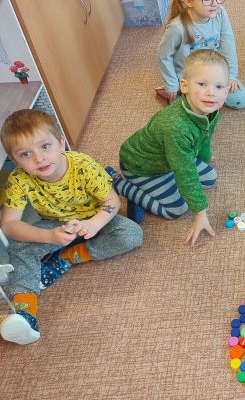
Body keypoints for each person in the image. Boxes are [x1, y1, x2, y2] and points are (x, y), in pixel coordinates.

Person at [0, 111, 143, 345]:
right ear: (15, 161)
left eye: (45, 146)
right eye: (26, 154)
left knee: (131, 234)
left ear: (60, 143)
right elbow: (9, 224)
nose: (39, 159)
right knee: (18, 246)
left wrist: (93, 224)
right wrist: (48, 236)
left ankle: (66, 258)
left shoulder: (82, 165)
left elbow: (112, 201)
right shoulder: (18, 179)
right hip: (55, 224)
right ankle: (26, 316)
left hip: (93, 217)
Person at [108, 50, 228, 244]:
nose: (211, 92)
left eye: (219, 86)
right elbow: (185, 172)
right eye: (202, 84)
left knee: (210, 177)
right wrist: (200, 213)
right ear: (184, 86)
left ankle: (166, 180)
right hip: (142, 167)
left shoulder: (211, 109)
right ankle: (118, 184)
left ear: (226, 90)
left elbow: (204, 138)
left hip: (173, 158)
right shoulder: (175, 127)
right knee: (177, 209)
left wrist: (202, 159)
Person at [156, 0, 245, 109]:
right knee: (192, 107)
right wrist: (171, 84)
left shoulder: (220, 13)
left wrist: (231, 75)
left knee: (240, 100)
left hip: (215, 70)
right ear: (188, 0)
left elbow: (228, 45)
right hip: (189, 75)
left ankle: (183, 94)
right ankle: (176, 90)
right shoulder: (177, 28)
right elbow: (164, 56)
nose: (215, 3)